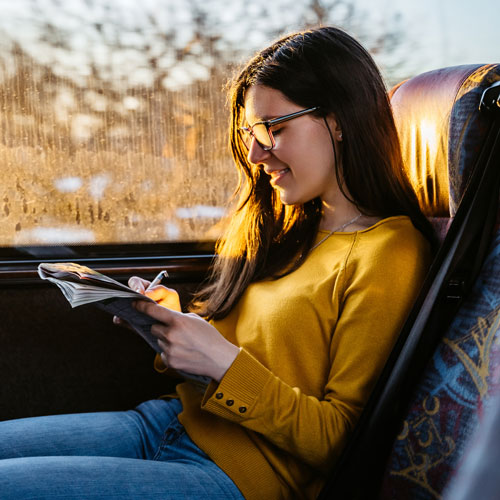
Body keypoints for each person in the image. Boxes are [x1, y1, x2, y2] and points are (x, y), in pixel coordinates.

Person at [0, 26, 433, 499]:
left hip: (244, 475)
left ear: (339, 120)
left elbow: (344, 442)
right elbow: (263, 359)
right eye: (250, 132)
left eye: (273, 128)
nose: (254, 152)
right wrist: (177, 326)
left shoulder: (391, 251)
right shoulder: (292, 231)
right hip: (169, 420)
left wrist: (225, 364)